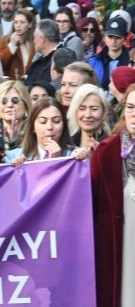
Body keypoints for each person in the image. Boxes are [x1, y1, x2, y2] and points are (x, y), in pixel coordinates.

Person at [91, 83, 135, 307]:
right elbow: (90, 205)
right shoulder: (106, 151)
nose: (134, 114)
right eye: (130, 107)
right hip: (120, 246)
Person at [7, 98, 90, 164]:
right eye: (43, 122)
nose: (50, 127)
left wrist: (58, 161)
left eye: (56, 121)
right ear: (33, 127)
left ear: (64, 125)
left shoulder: (74, 156)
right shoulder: (14, 156)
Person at [0, 80, 31, 161]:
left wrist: (14, 141)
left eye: (15, 100)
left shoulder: (34, 134)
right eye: (4, 101)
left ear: (26, 106)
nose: (9, 105)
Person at [89, 16, 131, 90]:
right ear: (104, 37)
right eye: (110, 36)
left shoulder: (131, 62)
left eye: (118, 37)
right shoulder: (93, 61)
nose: (113, 41)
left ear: (125, 38)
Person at [67, 84, 110, 149]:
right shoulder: (67, 143)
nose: (87, 115)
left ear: (104, 113)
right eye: (82, 109)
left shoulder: (110, 146)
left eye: (94, 109)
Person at [0, 9, 36, 80]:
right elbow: (1, 65)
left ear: (30, 24)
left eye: (22, 22)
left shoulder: (36, 41)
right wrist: (12, 45)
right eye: (15, 22)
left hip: (32, 82)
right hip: (14, 82)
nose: (18, 25)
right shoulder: (5, 40)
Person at [25, 19, 60, 86]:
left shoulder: (59, 58)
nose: (34, 41)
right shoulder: (41, 58)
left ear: (42, 39)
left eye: (35, 37)